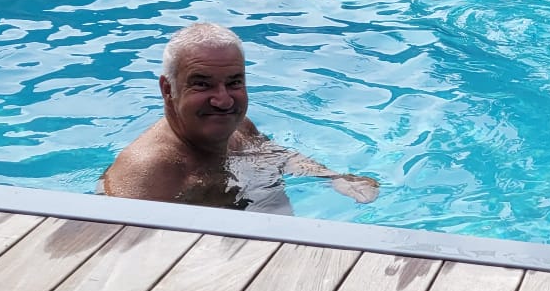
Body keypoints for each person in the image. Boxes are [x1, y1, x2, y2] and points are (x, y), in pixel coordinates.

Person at [100, 22, 379, 210]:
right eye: (202, 84)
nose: (223, 101)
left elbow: (276, 155)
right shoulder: (149, 172)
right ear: (167, 89)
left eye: (234, 82)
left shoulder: (238, 127)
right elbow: (124, 254)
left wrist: (332, 177)